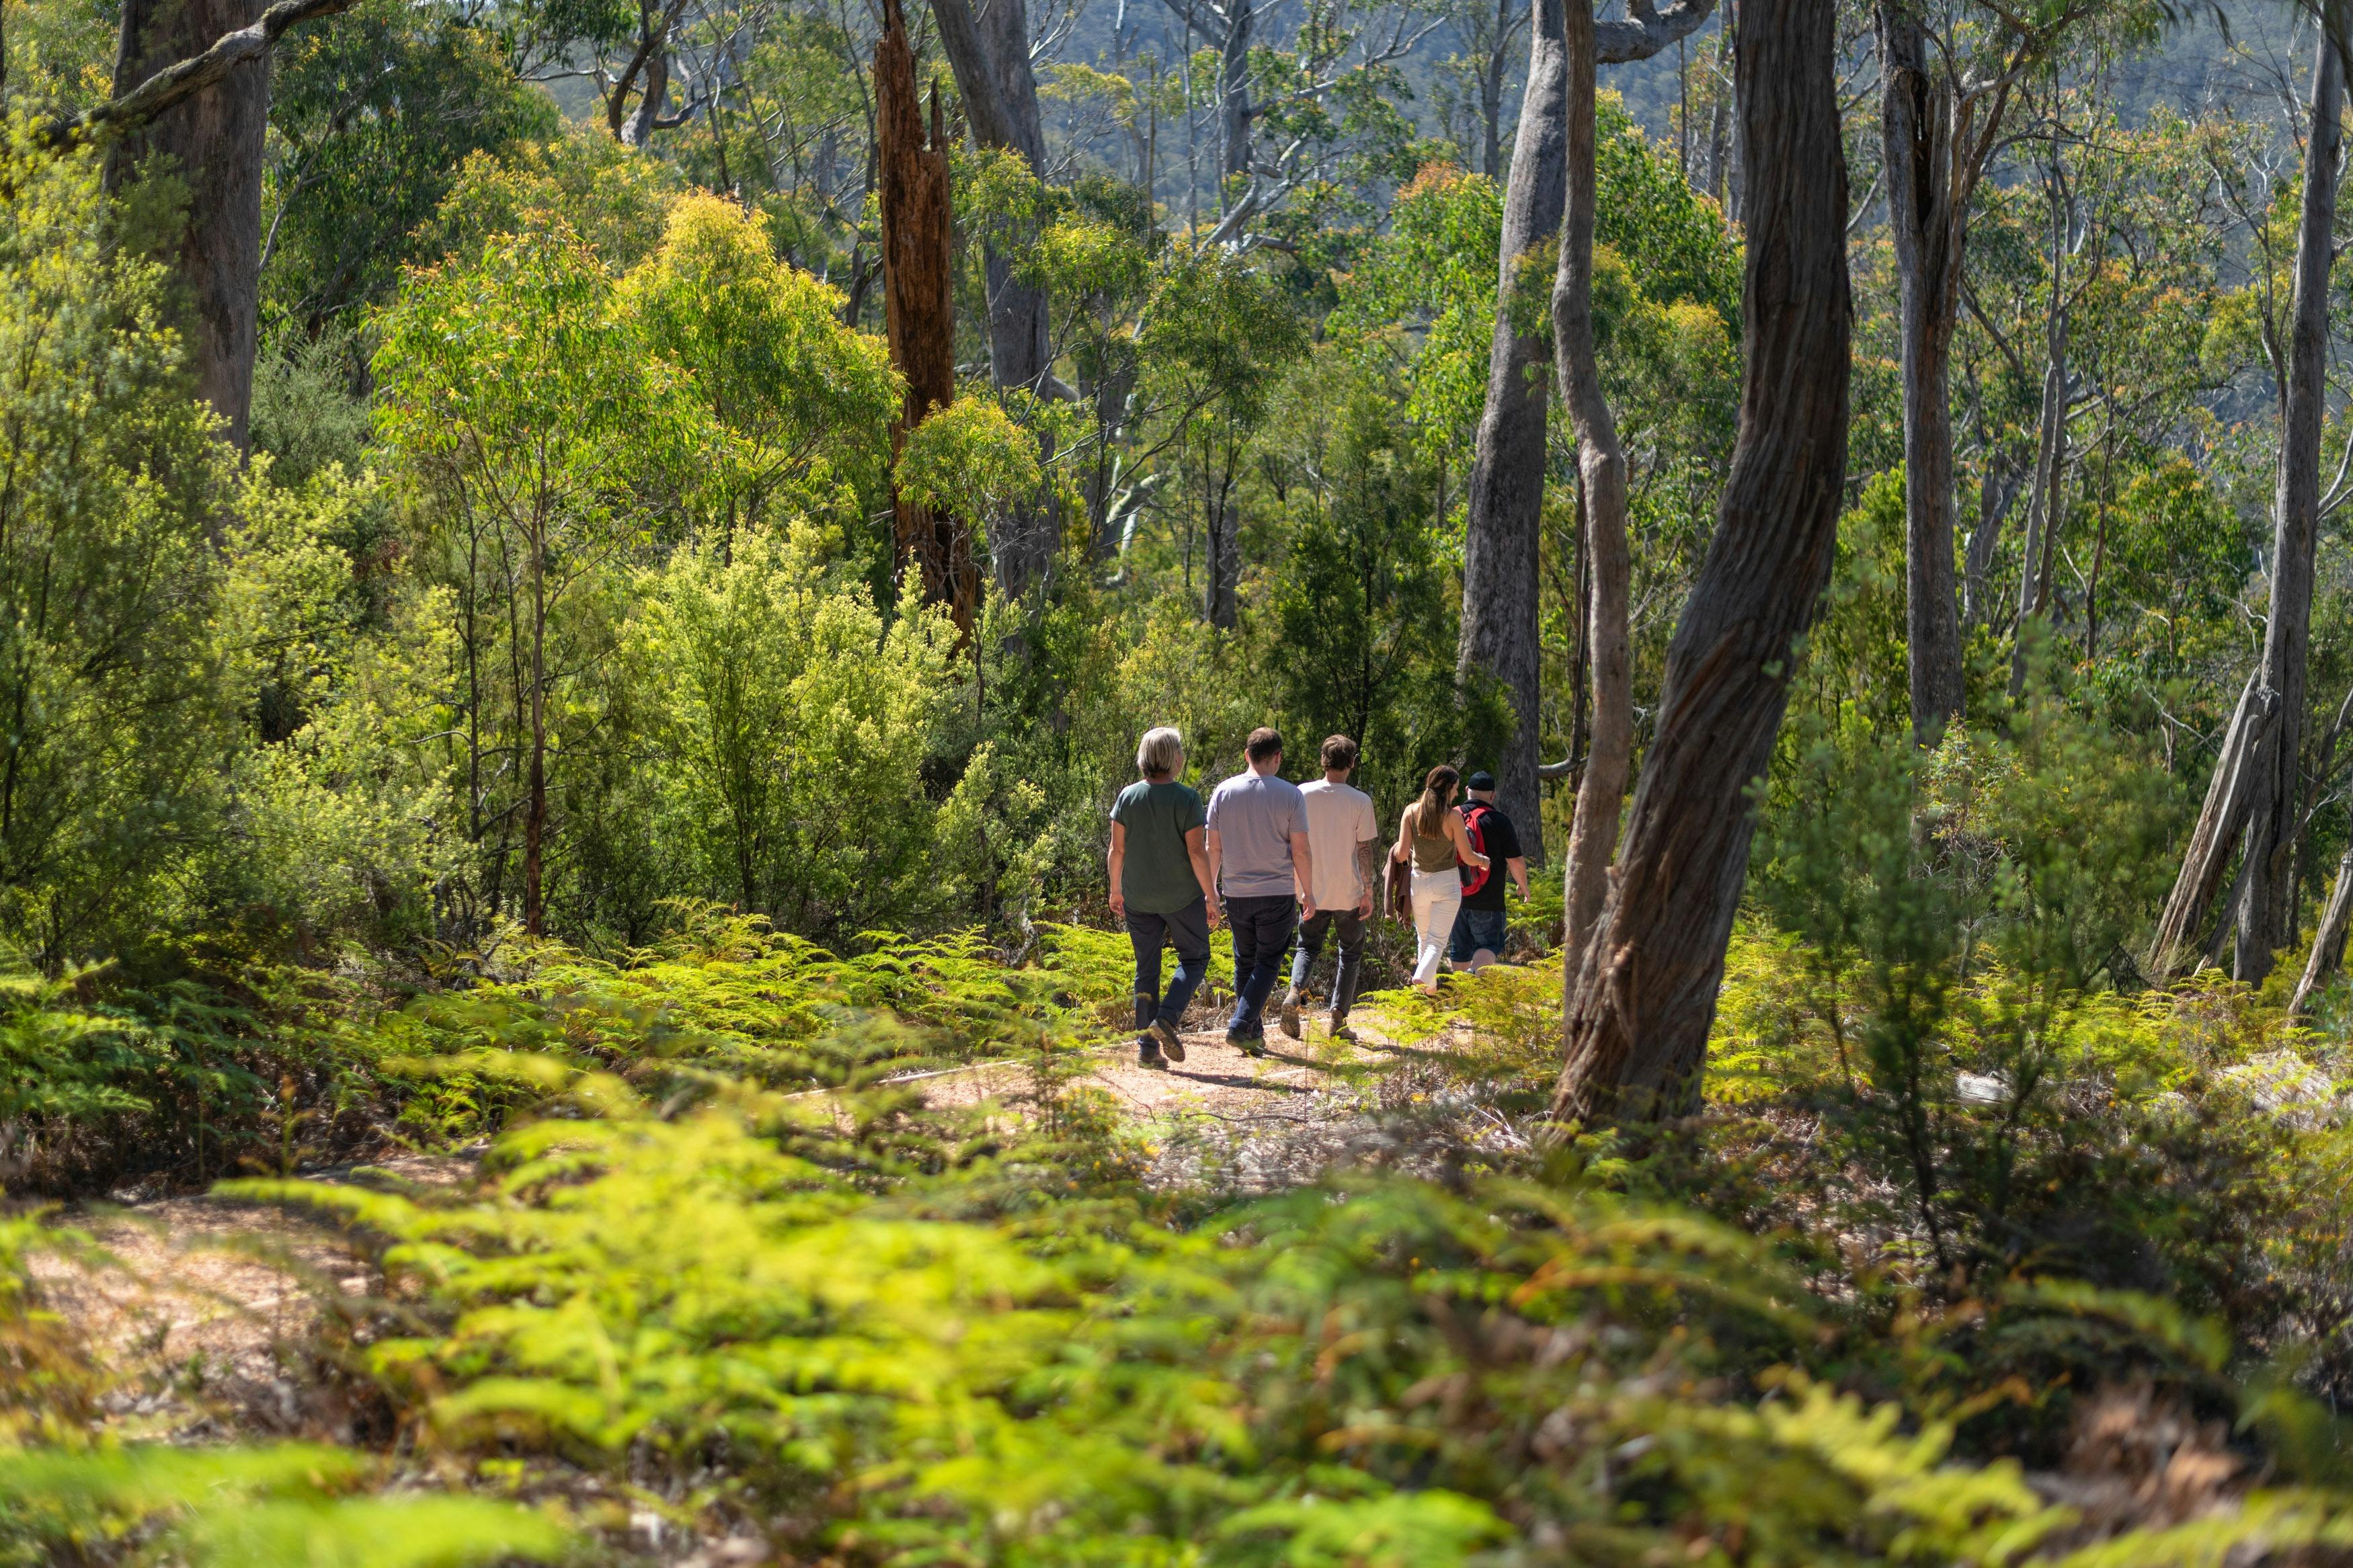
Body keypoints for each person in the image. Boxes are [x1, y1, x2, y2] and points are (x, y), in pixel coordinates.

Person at [1108, 726, 1221, 1070]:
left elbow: (1117, 849)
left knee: (1146, 970)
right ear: (1174, 758)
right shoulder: (1186, 798)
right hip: (1182, 897)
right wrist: (1212, 896)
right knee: (1196, 957)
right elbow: (1197, 854)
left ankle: (1146, 1049)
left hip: (1139, 898)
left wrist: (1115, 889)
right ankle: (1168, 1019)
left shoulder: (1128, 796)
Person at [1205, 727, 1312, 1055]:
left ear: (1246, 755)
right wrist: (1308, 891)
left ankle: (1252, 1032)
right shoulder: (1291, 795)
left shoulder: (1223, 791)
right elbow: (1301, 852)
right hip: (1277, 892)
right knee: (1267, 963)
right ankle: (1240, 1025)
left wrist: (1211, 892)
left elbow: (1213, 849)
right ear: (1278, 757)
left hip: (1236, 892)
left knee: (1245, 963)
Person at [1279, 735, 1380, 1041]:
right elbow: (1364, 850)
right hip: (1347, 890)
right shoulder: (1360, 801)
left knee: (1307, 947)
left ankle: (1295, 993)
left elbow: (1291, 842)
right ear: (1351, 762)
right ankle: (1338, 1019)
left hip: (1310, 888)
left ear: (1323, 760)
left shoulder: (1301, 794)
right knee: (1350, 953)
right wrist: (1368, 890)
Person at [1390, 764, 1488, 995]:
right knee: (1436, 942)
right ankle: (1421, 978)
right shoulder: (1453, 816)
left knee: (1424, 940)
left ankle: (1429, 996)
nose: (1457, 793)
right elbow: (1467, 856)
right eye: (1455, 788)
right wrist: (1484, 861)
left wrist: (1394, 852)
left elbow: (1402, 855)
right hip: (1446, 883)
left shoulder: (1411, 812)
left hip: (1419, 882)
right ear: (1448, 788)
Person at [1449, 770, 1529, 971]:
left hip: (1453, 897)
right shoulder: (1499, 821)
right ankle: (1474, 975)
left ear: (1467, 791)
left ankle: (1460, 996)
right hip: (1489, 902)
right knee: (1488, 945)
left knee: (1459, 949)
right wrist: (1523, 886)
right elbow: (1516, 861)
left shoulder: (1451, 816)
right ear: (1493, 795)